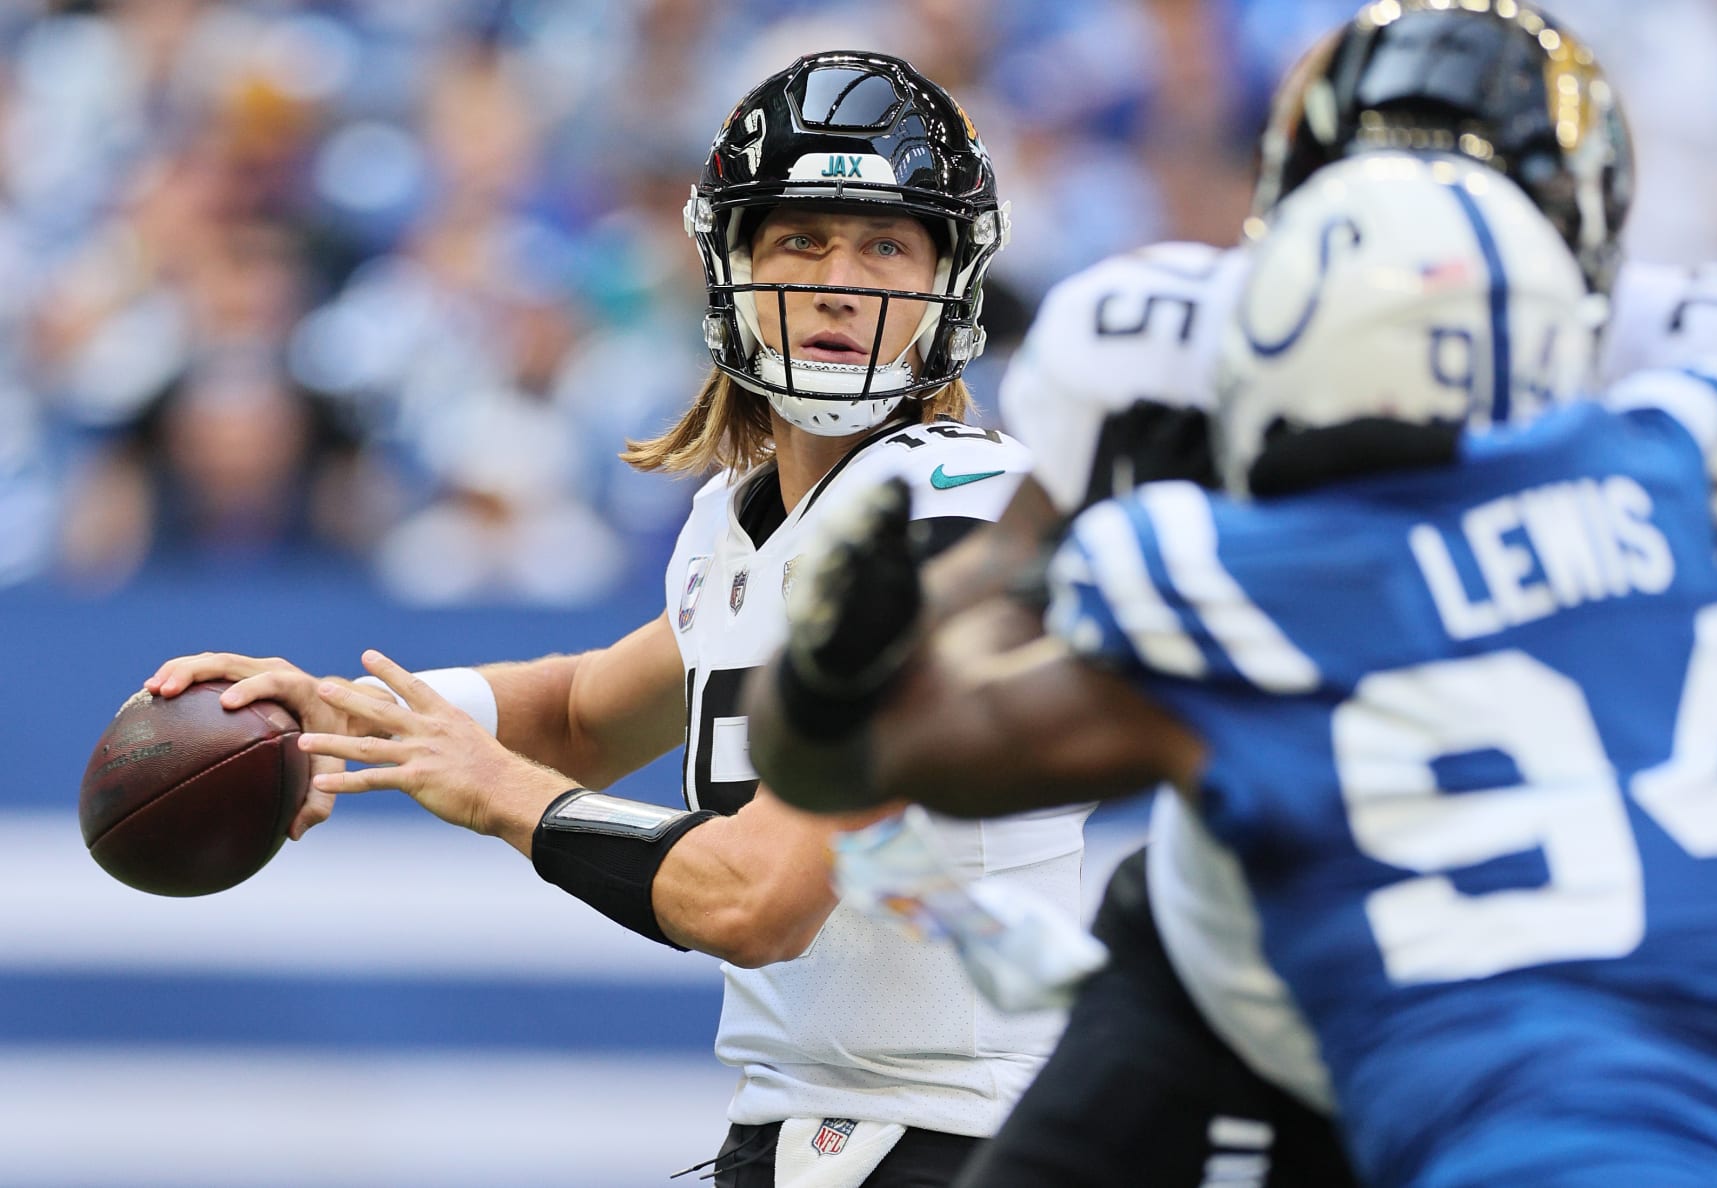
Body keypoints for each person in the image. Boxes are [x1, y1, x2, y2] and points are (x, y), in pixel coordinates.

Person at [875, 3, 1717, 1184]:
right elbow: (970, 634)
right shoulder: (1150, 347)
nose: (1411, 263)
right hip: (1245, 955)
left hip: (1572, 989)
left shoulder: (1716, 372)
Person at [145, 51, 1090, 1188]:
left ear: (952, 283)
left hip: (967, 1138)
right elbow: (589, 709)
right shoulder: (742, 523)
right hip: (826, 1130)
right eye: (801, 239)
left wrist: (504, 795)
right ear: (727, 267)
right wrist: (338, 715)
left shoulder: (955, 515)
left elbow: (760, 897)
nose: (841, 281)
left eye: (886, 244)